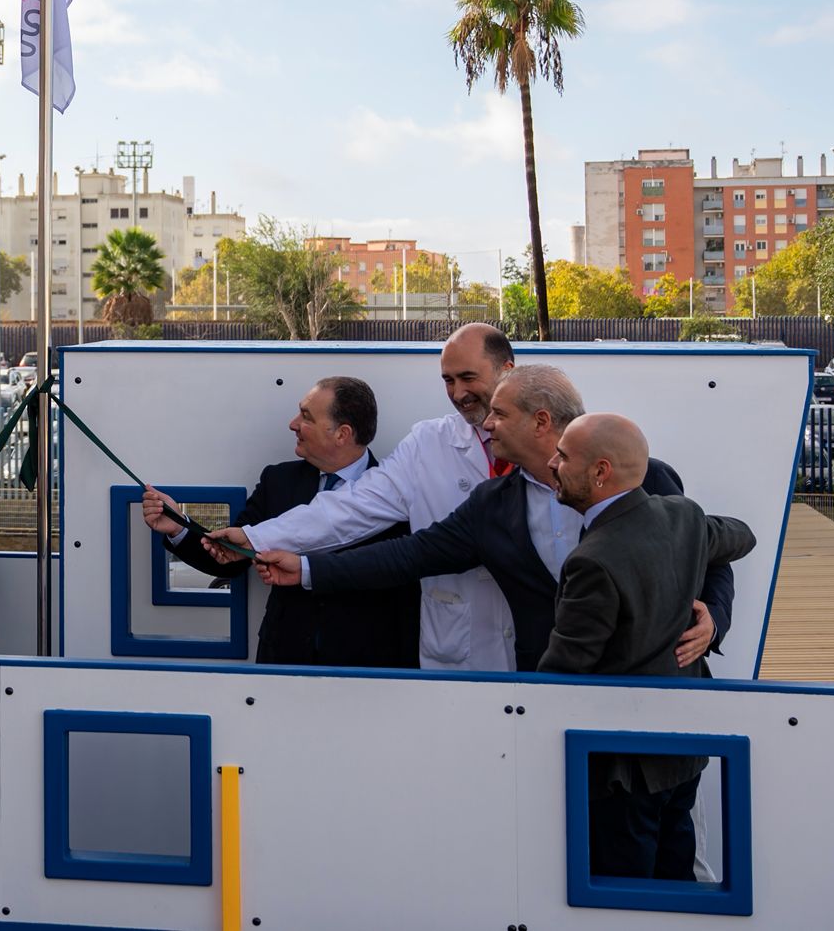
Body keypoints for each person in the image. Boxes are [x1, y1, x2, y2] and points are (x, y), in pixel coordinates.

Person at [253, 365, 734, 672]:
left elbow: (710, 550)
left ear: (541, 422)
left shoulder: (644, 476)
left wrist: (714, 619)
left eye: (499, 414)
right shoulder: (493, 504)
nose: (485, 424)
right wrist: (309, 569)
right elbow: (409, 554)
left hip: (656, 694)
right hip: (549, 694)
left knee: (672, 835)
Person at [205, 323, 521, 670]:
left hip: (530, 650)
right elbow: (350, 508)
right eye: (448, 380)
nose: (458, 393)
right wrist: (253, 536)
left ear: (507, 370)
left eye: (468, 377)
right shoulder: (428, 443)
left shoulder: (551, 444)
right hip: (458, 654)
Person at [537, 413, 756, 880]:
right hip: (684, 753)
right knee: (675, 889)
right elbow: (743, 535)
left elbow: (562, 673)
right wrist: (708, 612)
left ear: (600, 473)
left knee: (624, 895)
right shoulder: (684, 516)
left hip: (622, 773)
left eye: (563, 456)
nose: (552, 463)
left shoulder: (592, 561)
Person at [141, 377, 420, 667]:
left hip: (369, 670)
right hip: (283, 658)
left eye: (306, 416)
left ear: (342, 433)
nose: (293, 423)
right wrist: (177, 526)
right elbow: (230, 556)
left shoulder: (399, 498)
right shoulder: (278, 481)